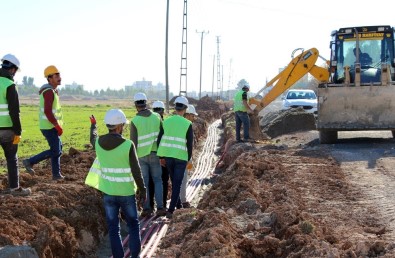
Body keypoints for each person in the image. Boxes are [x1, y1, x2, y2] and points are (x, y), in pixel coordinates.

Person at [86, 109, 146, 258]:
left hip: (109, 194)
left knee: (113, 229)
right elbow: (136, 171)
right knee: (133, 225)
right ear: (119, 126)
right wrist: (142, 190)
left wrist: (93, 125)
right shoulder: (128, 145)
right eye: (123, 125)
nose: (124, 128)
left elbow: (92, 138)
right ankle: (135, 256)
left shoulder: (99, 143)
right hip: (126, 193)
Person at [23, 65, 65, 180]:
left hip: (50, 125)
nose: (59, 77)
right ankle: (30, 161)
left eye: (59, 74)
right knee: (56, 150)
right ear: (49, 78)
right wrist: (57, 125)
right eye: (56, 75)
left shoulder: (53, 90)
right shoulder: (48, 91)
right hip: (49, 126)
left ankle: (56, 174)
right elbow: (47, 111)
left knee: (58, 149)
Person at [157, 96, 193, 219]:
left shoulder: (166, 122)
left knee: (174, 182)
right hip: (181, 158)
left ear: (175, 107)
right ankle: (171, 210)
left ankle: (177, 205)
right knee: (177, 183)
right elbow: (190, 144)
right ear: (185, 109)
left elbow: (159, 139)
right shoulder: (188, 124)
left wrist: (161, 156)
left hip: (168, 156)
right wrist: (188, 158)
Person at [130, 93, 166, 217]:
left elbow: (133, 143)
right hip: (156, 153)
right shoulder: (157, 117)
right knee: (158, 181)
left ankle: (147, 209)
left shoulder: (134, 121)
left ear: (136, 105)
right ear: (146, 103)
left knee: (144, 183)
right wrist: (162, 155)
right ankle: (160, 208)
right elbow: (162, 136)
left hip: (141, 156)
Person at [0, 54, 31, 196]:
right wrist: (18, 131)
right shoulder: (10, 85)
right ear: (12, 69)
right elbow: (14, 111)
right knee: (11, 158)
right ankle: (14, 188)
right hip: (7, 130)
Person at [151, 100, 170, 209]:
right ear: (163, 111)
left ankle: (151, 205)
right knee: (163, 180)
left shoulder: (150, 123)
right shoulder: (165, 123)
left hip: (152, 155)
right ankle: (162, 205)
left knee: (152, 182)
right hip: (163, 157)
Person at [179, 104, 198, 208]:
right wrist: (189, 160)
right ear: (188, 115)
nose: (194, 118)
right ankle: (183, 200)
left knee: (182, 178)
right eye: (192, 116)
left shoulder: (181, 124)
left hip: (181, 156)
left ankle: (179, 199)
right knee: (183, 178)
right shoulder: (186, 125)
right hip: (184, 156)